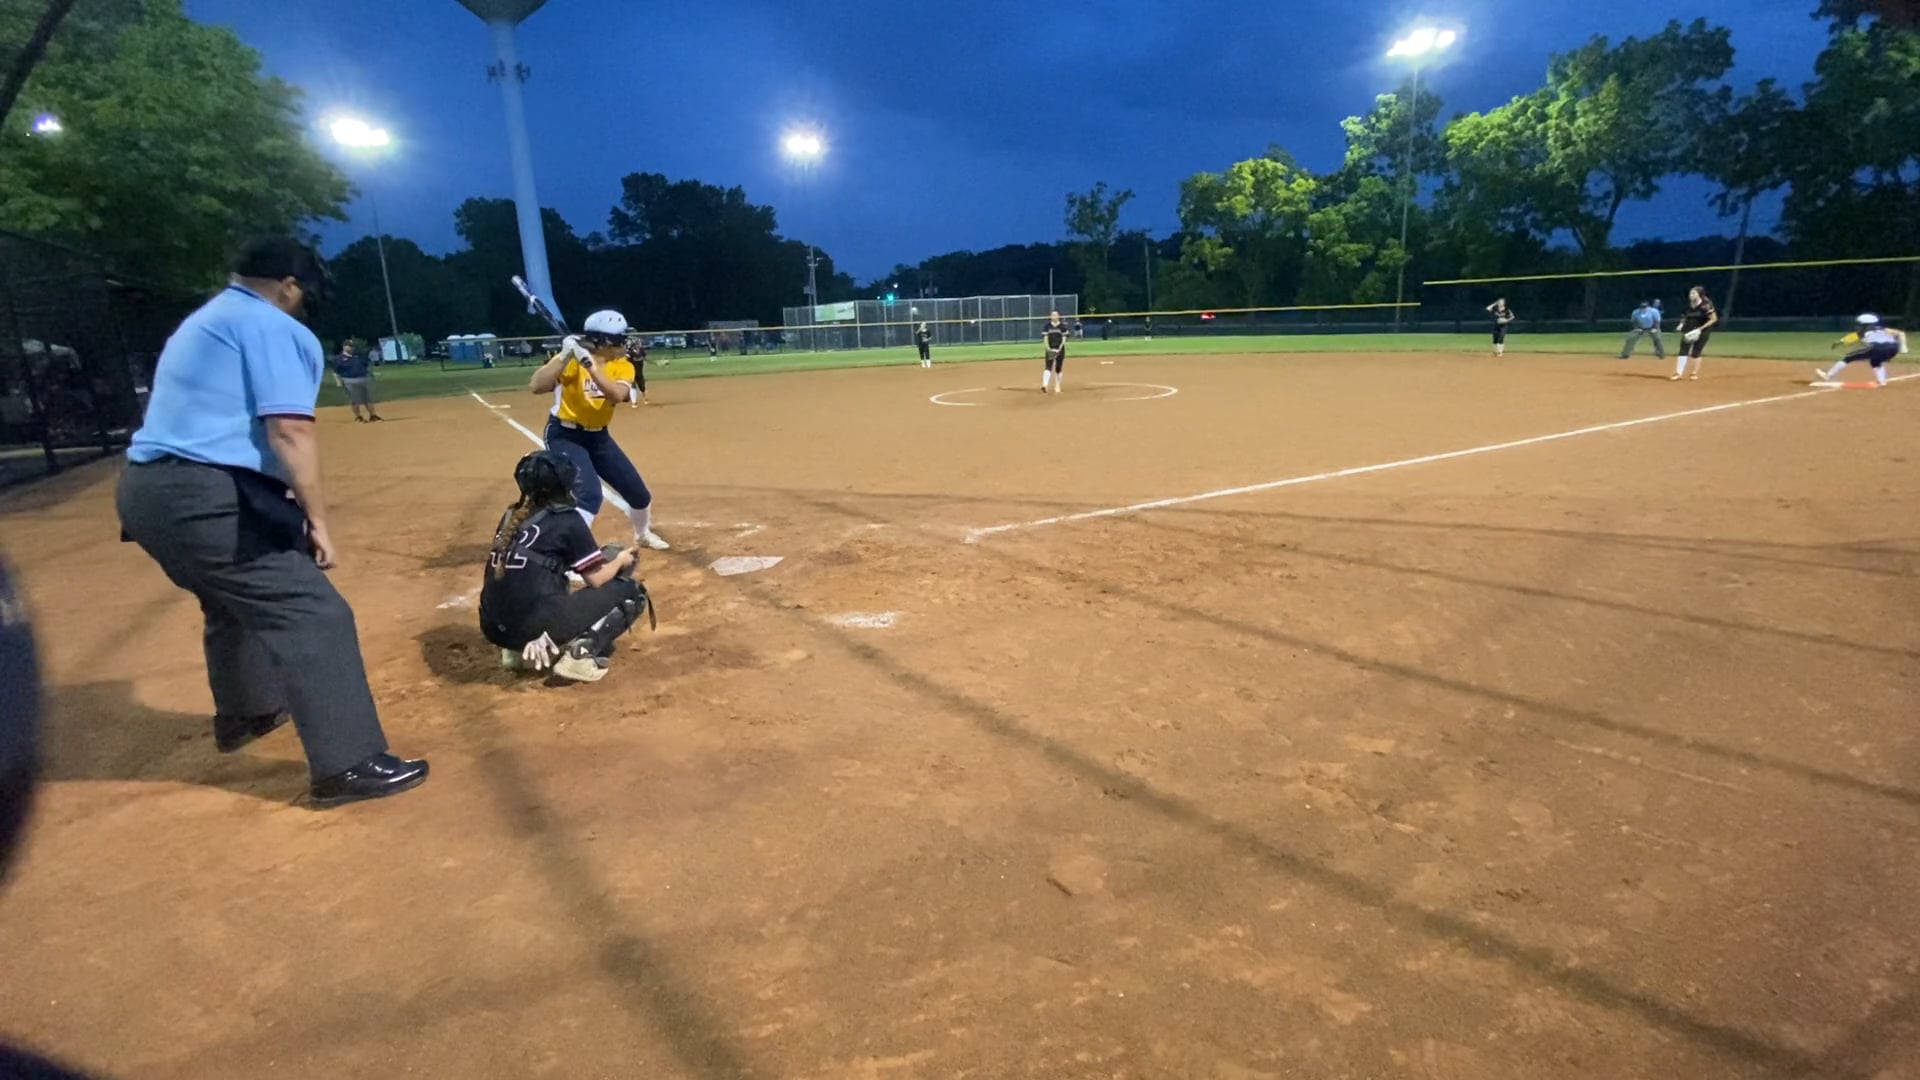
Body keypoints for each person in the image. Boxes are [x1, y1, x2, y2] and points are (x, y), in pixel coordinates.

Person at [115, 237, 427, 808]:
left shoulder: (206, 320)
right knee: (313, 613)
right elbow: (289, 430)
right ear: (287, 285)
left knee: (228, 601)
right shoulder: (270, 325)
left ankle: (248, 713)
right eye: (301, 292)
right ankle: (347, 763)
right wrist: (316, 521)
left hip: (147, 493)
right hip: (203, 493)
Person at [480, 450, 652, 683]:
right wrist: (621, 560)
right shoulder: (567, 520)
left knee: (536, 578)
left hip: (492, 627)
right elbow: (597, 579)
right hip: (531, 628)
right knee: (631, 591)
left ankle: (515, 654)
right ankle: (579, 658)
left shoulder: (511, 515)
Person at [527, 309, 670, 551]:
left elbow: (617, 395)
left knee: (639, 495)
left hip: (598, 437)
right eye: (619, 339)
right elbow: (536, 386)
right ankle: (571, 553)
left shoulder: (623, 365)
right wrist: (563, 356)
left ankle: (642, 534)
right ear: (602, 341)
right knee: (588, 494)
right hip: (565, 435)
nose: (623, 344)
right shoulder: (571, 360)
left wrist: (591, 367)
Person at [1814, 313, 1908, 387]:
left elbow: (1852, 337)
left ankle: (1827, 376)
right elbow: (1900, 333)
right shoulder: (1882, 329)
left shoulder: (1864, 330)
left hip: (1876, 347)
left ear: (1865, 324)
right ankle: (1882, 381)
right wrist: (1903, 347)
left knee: (1848, 357)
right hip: (1893, 348)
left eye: (1860, 324)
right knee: (1875, 361)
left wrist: (1839, 342)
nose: (1858, 326)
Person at [1670, 285, 1718, 381]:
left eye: (1693, 293)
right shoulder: (1687, 304)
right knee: (1683, 350)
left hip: (1703, 331)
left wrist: (1700, 329)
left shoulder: (1706, 305)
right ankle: (1678, 373)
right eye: (1690, 293)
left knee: (1696, 352)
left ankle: (1694, 373)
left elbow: (1713, 319)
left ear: (1699, 294)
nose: (1691, 295)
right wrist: (1681, 324)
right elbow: (1684, 316)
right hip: (1689, 330)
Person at [332, 340, 381, 423]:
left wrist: (371, 374)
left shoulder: (358, 356)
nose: (351, 348)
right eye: (349, 346)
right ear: (344, 346)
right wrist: (338, 382)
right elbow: (336, 372)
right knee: (354, 400)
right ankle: (358, 417)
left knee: (367, 398)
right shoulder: (339, 358)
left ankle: (373, 416)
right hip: (349, 380)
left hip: (363, 379)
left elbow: (366, 366)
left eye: (352, 346)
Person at [1040, 310, 1070, 394]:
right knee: (1048, 367)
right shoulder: (1047, 326)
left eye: (1055, 315)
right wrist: (1048, 348)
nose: (1054, 316)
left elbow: (1064, 338)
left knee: (1058, 368)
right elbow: (1045, 338)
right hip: (1050, 349)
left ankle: (1058, 386)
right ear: (1050, 317)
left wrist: (1060, 348)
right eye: (1052, 315)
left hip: (1060, 350)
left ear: (1058, 316)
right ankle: (1045, 385)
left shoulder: (1062, 326)